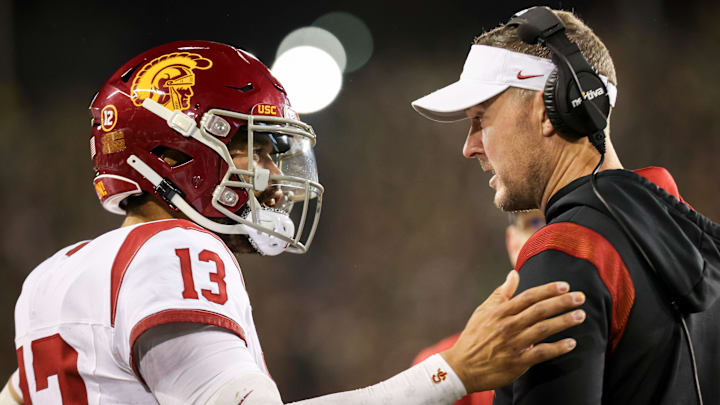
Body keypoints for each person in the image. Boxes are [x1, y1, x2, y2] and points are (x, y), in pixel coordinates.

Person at [0, 40, 587, 405]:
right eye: (257, 148)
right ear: (178, 151)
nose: (276, 176)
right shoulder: (173, 249)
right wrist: (452, 372)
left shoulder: (51, 278)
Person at [411, 6, 720, 405]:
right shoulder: (700, 245)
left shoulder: (564, 254)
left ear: (548, 110)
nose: (470, 147)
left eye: (479, 119)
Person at [412, 211, 546, 405]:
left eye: (561, 219)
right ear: (513, 244)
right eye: (535, 223)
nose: (550, 236)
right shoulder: (445, 367)